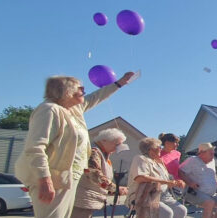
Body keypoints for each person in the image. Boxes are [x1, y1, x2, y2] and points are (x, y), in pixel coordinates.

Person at [14, 72, 134, 218]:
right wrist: (44, 180)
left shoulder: (73, 110)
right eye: (80, 88)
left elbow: (96, 97)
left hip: (68, 178)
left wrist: (119, 83)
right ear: (67, 91)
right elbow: (35, 148)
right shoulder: (49, 109)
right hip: (53, 178)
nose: (84, 91)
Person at [71, 128, 129, 218]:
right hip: (83, 200)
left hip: (89, 200)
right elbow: (94, 174)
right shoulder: (94, 151)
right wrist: (115, 188)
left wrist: (113, 191)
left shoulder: (103, 153)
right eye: (117, 144)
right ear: (104, 140)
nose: (118, 148)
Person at [127, 137, 187, 218]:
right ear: (151, 149)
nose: (161, 149)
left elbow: (169, 180)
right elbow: (140, 178)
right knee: (166, 213)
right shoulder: (141, 159)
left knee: (181, 210)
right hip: (146, 196)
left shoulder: (158, 163)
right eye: (159, 147)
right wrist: (166, 182)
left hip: (163, 196)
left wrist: (177, 182)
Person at [180, 143, 217, 218]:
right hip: (194, 192)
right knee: (210, 203)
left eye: (213, 154)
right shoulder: (192, 160)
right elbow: (180, 171)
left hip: (210, 194)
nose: (213, 156)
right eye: (211, 154)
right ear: (202, 153)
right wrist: (189, 182)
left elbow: (213, 174)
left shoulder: (212, 161)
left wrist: (216, 182)